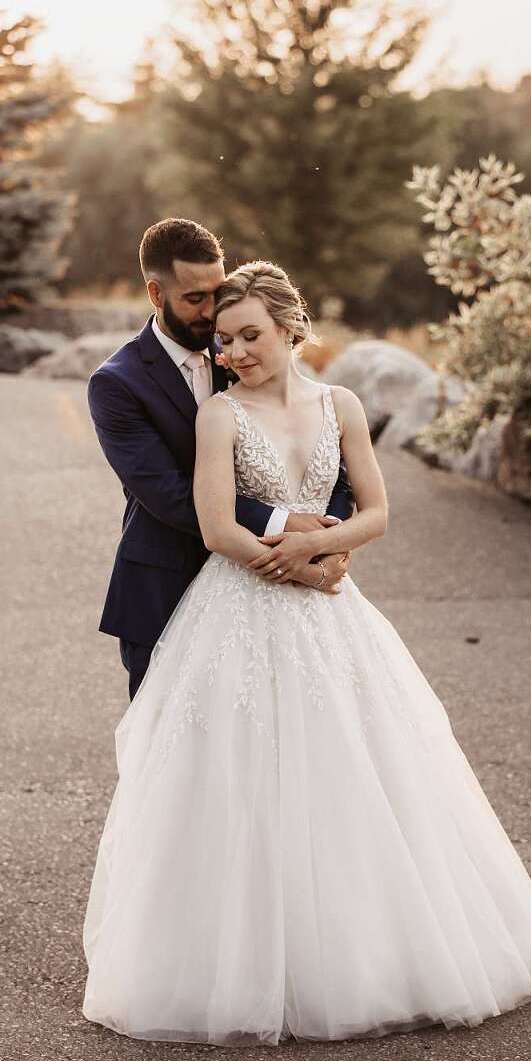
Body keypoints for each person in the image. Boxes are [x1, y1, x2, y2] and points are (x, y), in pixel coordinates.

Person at [81, 261, 531, 1045]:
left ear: (290, 327)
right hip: (239, 603)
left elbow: (376, 510)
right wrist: (284, 560)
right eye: (224, 339)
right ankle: (232, 962)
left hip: (330, 608)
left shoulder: (340, 403)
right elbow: (215, 527)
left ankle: (365, 953)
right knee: (234, 776)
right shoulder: (218, 416)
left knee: (355, 766)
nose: (236, 351)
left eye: (250, 335)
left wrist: (329, 552)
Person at [87, 218, 355, 700]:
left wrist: (329, 535)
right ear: (155, 293)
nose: (213, 314)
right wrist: (287, 526)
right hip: (166, 586)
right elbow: (167, 494)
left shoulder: (243, 351)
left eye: (218, 292)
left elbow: (322, 449)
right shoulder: (116, 384)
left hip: (271, 590)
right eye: (195, 299)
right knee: (169, 752)